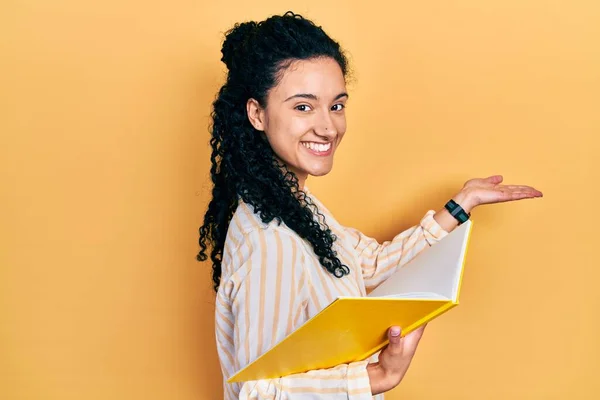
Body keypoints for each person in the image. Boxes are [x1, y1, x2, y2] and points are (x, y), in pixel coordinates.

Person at [197, 11, 542, 399]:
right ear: (257, 114)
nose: (328, 127)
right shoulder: (269, 242)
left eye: (337, 106)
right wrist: (376, 378)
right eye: (303, 107)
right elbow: (256, 391)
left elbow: (369, 264)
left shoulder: (297, 207)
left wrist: (461, 205)